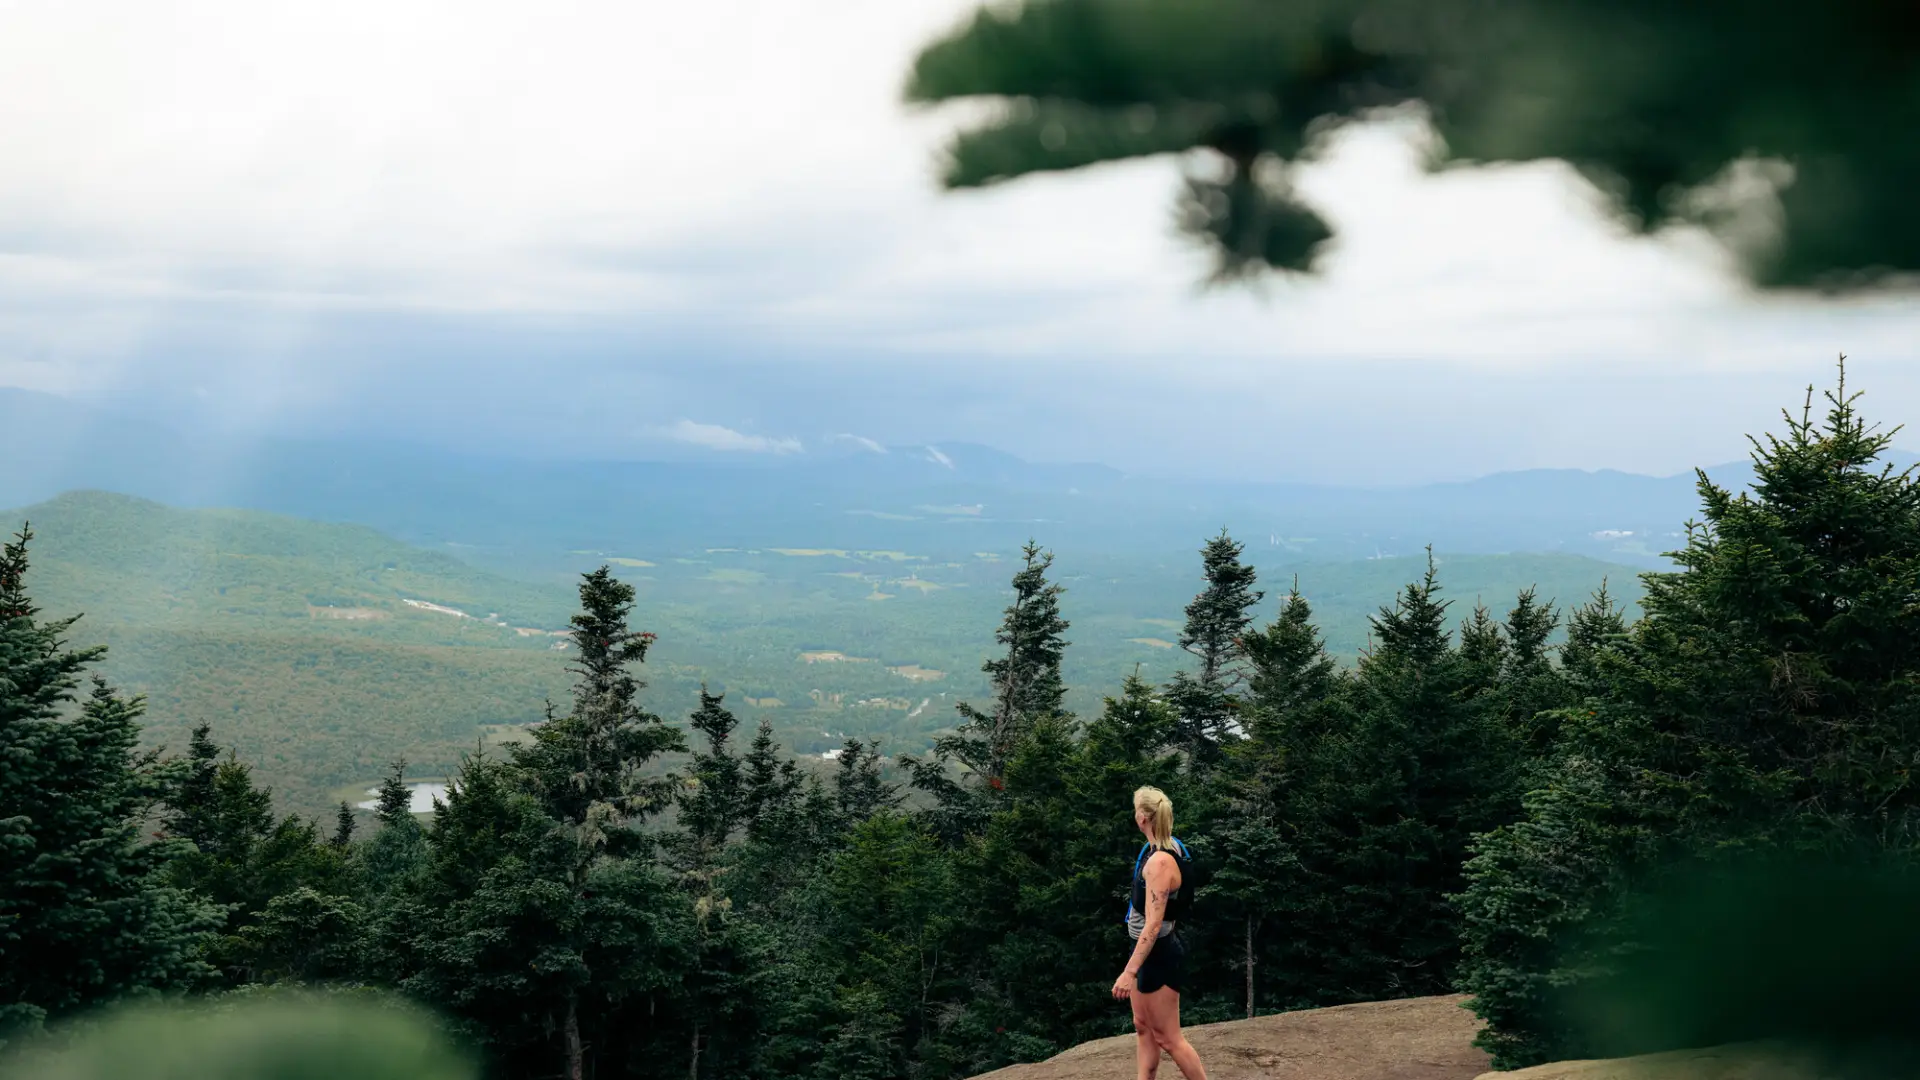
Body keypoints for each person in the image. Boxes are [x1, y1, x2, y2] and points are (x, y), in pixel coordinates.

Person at [1111, 786, 1208, 1080]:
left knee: (1169, 1038)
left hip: (1159, 955)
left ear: (1142, 817)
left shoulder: (1160, 863)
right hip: (1144, 951)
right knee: (1142, 1026)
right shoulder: (1159, 848)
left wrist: (1129, 972)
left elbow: (1154, 925)